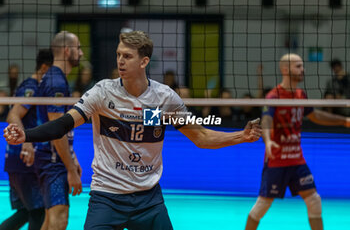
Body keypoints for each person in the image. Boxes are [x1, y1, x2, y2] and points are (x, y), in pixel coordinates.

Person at [4, 31, 262, 230]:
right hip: (107, 196)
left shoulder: (164, 99)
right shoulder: (103, 92)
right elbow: (63, 123)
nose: (120, 60)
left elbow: (202, 136)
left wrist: (242, 136)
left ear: (144, 61)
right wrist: (27, 134)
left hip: (148, 199)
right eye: (118, 55)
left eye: (127, 56)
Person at [244, 54, 350, 230]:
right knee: (263, 204)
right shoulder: (273, 96)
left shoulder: (301, 94)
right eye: (298, 66)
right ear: (285, 70)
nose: (303, 70)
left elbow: (315, 115)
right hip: (277, 160)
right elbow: (266, 120)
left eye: (302, 66)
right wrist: (268, 140)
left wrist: (344, 121)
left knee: (314, 199)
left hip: (296, 159)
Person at [34, 31, 83, 230]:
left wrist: (72, 157)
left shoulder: (55, 78)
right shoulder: (56, 82)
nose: (81, 53)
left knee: (50, 218)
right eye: (78, 48)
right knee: (59, 217)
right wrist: (70, 169)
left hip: (50, 159)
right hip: (52, 163)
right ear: (67, 50)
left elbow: (61, 129)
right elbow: (56, 131)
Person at [0, 49, 53, 230]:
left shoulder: (32, 87)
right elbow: (13, 115)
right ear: (45, 68)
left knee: (25, 212)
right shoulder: (32, 87)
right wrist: (27, 142)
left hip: (17, 162)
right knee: (38, 212)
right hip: (23, 161)